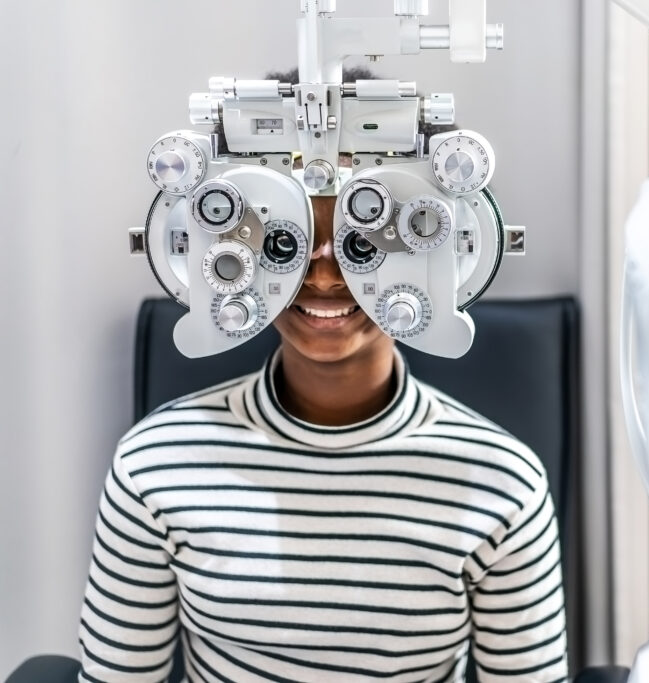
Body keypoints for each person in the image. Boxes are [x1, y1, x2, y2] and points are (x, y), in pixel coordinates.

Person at [77, 67, 568, 682]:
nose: (328, 276)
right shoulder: (154, 463)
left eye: (363, 243)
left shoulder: (502, 482)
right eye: (286, 242)